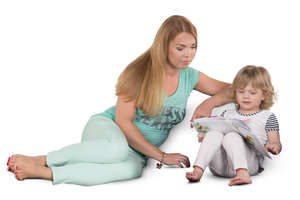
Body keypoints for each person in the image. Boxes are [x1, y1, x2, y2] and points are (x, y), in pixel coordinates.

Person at [7, 15, 231, 186]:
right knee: (116, 150)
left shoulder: (190, 76)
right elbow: (124, 123)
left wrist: (207, 104)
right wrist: (162, 156)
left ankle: (49, 174)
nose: (188, 55)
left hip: (136, 151)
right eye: (180, 48)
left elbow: (233, 89)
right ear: (164, 46)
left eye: (193, 47)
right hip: (108, 129)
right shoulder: (139, 74)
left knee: (131, 170)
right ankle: (43, 159)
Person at [186, 65, 282, 186]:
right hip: (220, 166)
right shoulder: (227, 113)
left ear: (264, 95)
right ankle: (198, 170)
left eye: (252, 93)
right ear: (235, 93)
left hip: (248, 164)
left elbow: (276, 142)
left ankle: (242, 173)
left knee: (232, 136)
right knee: (214, 133)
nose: (246, 96)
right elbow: (215, 133)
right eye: (241, 92)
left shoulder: (267, 117)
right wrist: (204, 136)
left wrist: (273, 146)